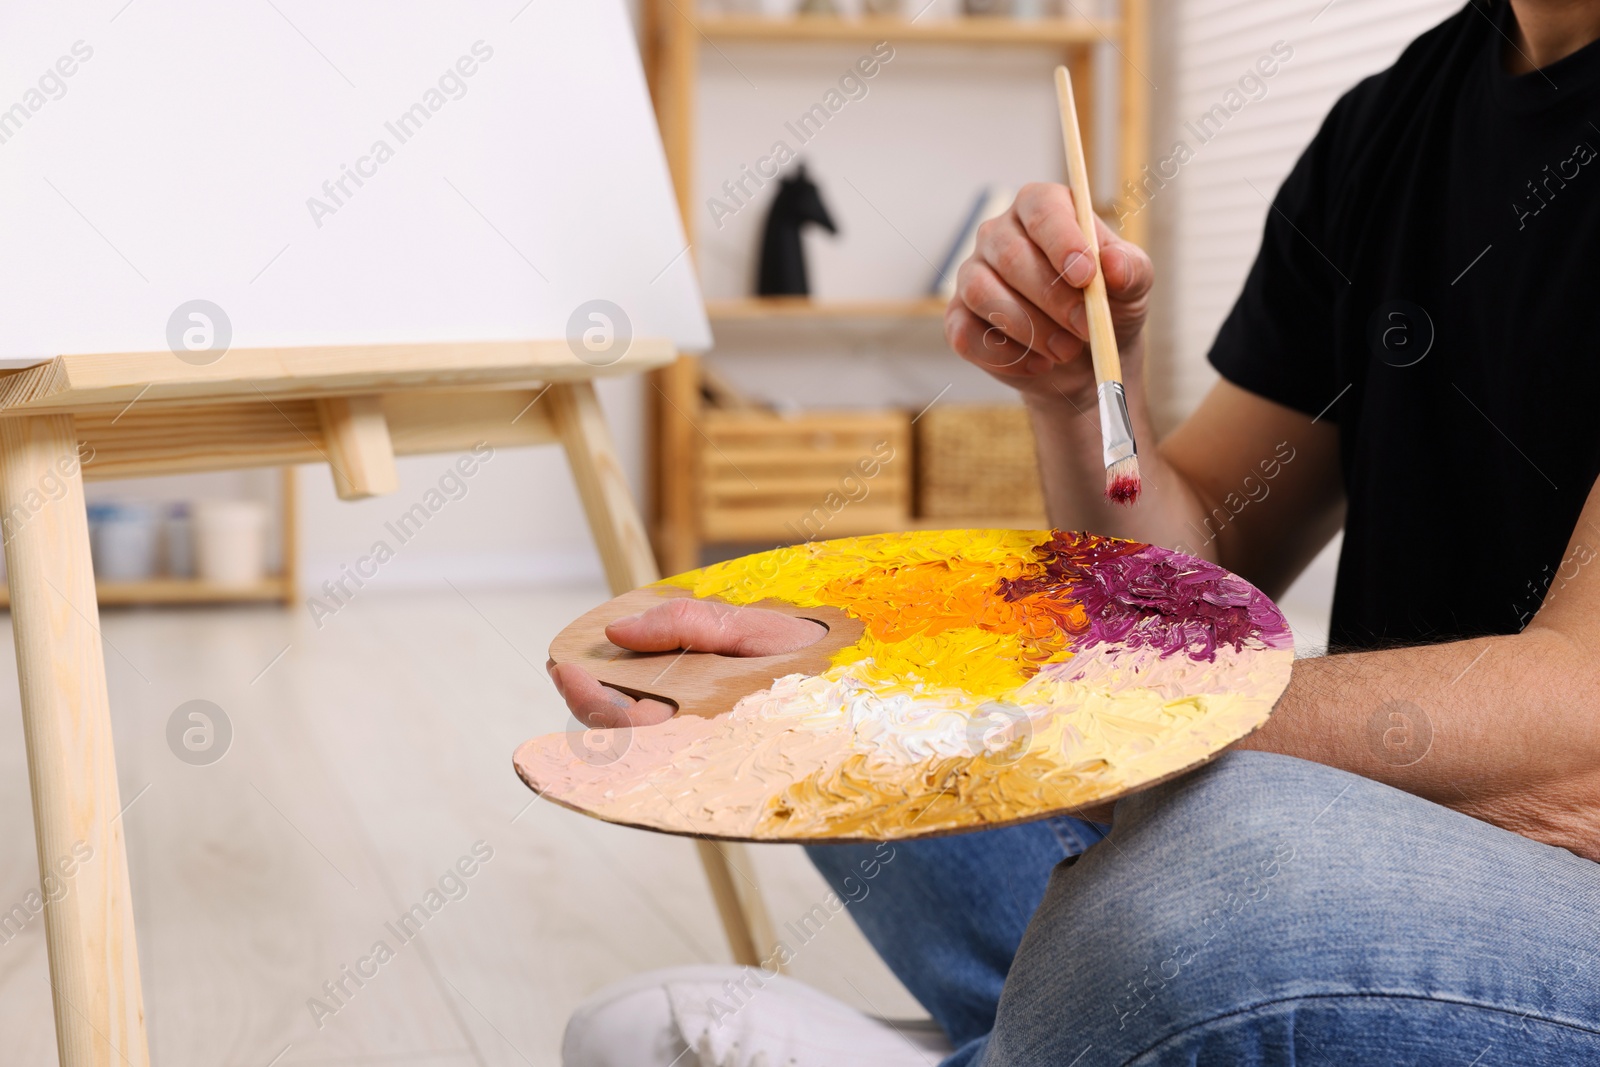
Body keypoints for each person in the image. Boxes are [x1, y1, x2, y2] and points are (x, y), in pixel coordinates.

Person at [559, 1, 1600, 1062]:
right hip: (1373, 820)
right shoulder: (1394, 118)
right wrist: (1074, 396)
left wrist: (978, 701)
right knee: (825, 727)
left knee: (1223, 865)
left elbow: (1581, 733)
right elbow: (1196, 581)